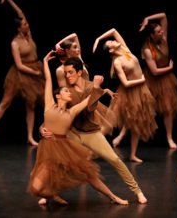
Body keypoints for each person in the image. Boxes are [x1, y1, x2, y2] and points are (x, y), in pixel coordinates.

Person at [41, 57, 148, 204]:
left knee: (114, 159)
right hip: (72, 133)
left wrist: (97, 89)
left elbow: (89, 109)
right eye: (66, 73)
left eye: (71, 72)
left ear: (79, 72)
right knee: (59, 162)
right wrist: (43, 129)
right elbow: (54, 114)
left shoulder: (91, 86)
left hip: (91, 133)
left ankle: (137, 191)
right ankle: (49, 192)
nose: (67, 76)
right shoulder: (68, 91)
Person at [28, 50, 128, 206]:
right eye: (66, 90)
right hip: (48, 150)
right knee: (36, 188)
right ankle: (52, 195)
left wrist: (99, 88)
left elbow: (89, 99)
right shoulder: (49, 105)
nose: (70, 91)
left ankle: (114, 197)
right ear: (58, 95)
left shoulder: (71, 112)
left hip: (66, 148)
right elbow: (48, 80)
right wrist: (45, 61)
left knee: (89, 176)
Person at [0, 0, 44, 146]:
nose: (27, 25)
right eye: (24, 24)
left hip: (35, 69)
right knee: (5, 102)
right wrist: (36, 73)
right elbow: (19, 65)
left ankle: (30, 136)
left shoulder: (28, 35)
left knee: (31, 105)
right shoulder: (15, 43)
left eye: (26, 24)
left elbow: (20, 12)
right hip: (21, 74)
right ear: (19, 28)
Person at [93, 28, 158, 163]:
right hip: (126, 93)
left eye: (112, 40)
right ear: (111, 50)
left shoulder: (125, 49)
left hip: (140, 92)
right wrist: (142, 80)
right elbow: (126, 83)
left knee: (136, 124)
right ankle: (88, 150)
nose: (114, 40)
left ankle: (133, 154)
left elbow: (114, 31)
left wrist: (98, 39)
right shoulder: (117, 62)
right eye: (111, 42)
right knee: (109, 124)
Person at [139, 12, 177, 149]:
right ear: (152, 35)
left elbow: (163, 16)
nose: (162, 31)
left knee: (168, 108)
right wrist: (170, 67)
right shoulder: (147, 50)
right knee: (142, 108)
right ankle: (124, 135)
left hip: (166, 80)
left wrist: (147, 18)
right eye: (158, 31)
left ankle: (169, 137)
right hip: (152, 79)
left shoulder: (164, 39)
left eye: (161, 30)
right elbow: (155, 72)